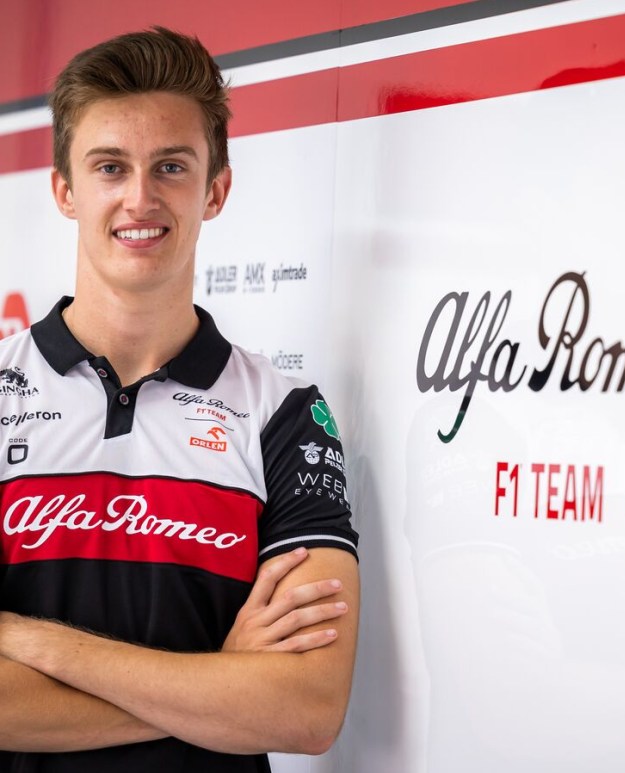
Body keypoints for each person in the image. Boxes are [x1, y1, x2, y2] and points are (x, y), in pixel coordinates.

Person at [0, 27, 359, 772]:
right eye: (109, 167)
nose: (140, 197)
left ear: (215, 190)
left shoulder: (285, 415)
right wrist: (218, 688)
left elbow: (306, 707)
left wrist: (38, 642)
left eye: (171, 165)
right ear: (65, 191)